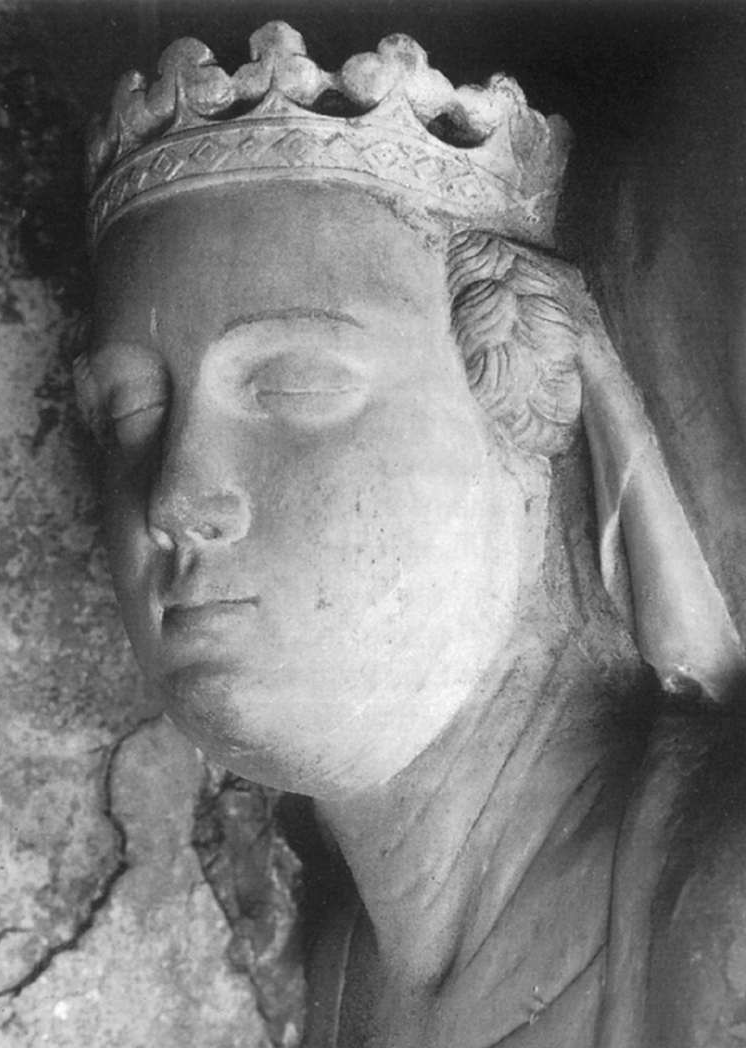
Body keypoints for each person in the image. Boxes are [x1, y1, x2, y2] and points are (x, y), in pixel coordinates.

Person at [77, 23, 746, 1047]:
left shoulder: (720, 911)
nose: (176, 495)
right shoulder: (329, 974)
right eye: (131, 412)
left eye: (294, 384)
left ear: (533, 396)